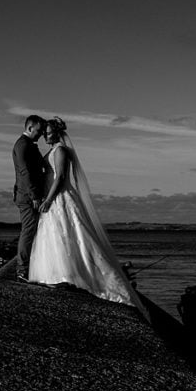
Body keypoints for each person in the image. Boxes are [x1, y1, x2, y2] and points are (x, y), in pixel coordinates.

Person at [28, 118, 148, 320]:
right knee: (56, 236)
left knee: (70, 234)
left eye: (48, 133)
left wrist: (48, 199)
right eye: (45, 133)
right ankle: (59, 274)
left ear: (56, 134)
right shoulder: (52, 150)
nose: (45, 137)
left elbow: (60, 178)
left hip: (59, 197)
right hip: (52, 196)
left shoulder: (60, 151)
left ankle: (74, 276)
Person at [11, 114, 47, 282]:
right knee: (28, 230)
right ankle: (22, 269)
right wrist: (34, 195)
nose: (41, 134)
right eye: (39, 131)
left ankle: (29, 265)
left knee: (33, 230)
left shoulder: (30, 145)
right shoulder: (22, 145)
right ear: (30, 127)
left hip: (31, 194)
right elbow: (25, 172)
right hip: (27, 196)